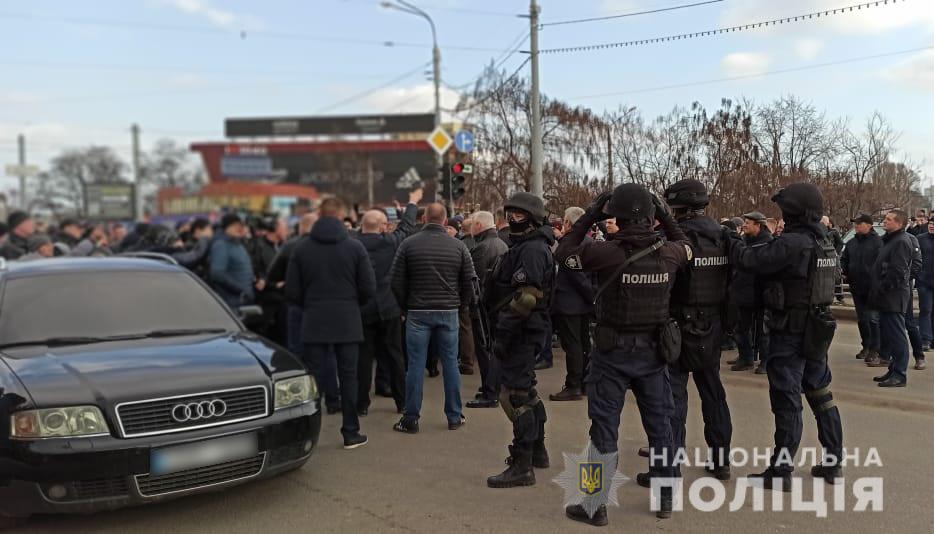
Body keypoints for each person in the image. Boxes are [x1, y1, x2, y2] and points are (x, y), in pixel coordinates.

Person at [555, 184, 686, 524]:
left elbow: (564, 250)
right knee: (661, 428)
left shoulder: (606, 253)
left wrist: (591, 214)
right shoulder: (669, 253)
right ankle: (665, 498)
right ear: (650, 216)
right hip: (653, 353)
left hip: (612, 352)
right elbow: (688, 245)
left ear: (618, 216)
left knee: (603, 427)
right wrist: (665, 215)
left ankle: (593, 504)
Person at [731, 183, 843, 489]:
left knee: (786, 399)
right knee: (821, 394)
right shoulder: (825, 242)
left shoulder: (795, 242)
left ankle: (780, 473)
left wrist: (734, 241)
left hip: (791, 330)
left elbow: (751, 261)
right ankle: (834, 463)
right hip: (817, 328)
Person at [643, 178, 733, 484]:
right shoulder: (723, 235)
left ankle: (671, 467)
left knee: (673, 398)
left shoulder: (674, 240)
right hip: (713, 324)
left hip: (679, 325)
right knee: (714, 393)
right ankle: (721, 461)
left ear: (676, 206)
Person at [286, 197, 375, 450]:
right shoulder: (355, 247)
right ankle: (350, 431)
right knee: (349, 377)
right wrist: (351, 304)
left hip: (314, 320)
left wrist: (311, 304)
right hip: (347, 320)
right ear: (341, 217)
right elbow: (368, 287)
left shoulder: (302, 249)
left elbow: (292, 292)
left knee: (313, 378)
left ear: (319, 215)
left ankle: (307, 433)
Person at [484, 192, 555, 489]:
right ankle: (538, 450)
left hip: (521, 331)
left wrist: (503, 333)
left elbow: (526, 297)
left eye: (519, 215)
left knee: (515, 396)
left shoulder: (533, 250)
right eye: (510, 213)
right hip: (524, 329)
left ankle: (523, 464)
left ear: (533, 218)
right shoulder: (526, 246)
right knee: (526, 390)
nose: (512, 219)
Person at [390, 203, 475, 434]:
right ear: (445, 220)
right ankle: (455, 416)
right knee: (450, 364)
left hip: (417, 311)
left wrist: (405, 305)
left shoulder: (408, 244)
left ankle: (410, 418)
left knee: (415, 365)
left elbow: (395, 280)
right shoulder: (458, 246)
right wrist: (461, 304)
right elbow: (470, 280)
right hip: (448, 310)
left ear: (425, 217)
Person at [355, 188, 421, 417]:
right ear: (383, 226)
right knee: (395, 355)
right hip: (389, 307)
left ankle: (361, 403)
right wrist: (412, 203)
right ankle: (401, 402)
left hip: (362, 309)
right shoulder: (390, 243)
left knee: (363, 358)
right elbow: (406, 227)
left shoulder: (352, 244)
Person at [549, 207, 595, 402]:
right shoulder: (589, 242)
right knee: (583, 343)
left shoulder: (572, 244)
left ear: (569, 223)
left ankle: (574, 384)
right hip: (582, 302)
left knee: (574, 345)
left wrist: (590, 294)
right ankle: (584, 382)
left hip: (571, 302)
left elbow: (577, 276)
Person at [465, 210, 509, 409]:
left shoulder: (482, 248)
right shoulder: (500, 243)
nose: (471, 227)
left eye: (473, 224)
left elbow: (476, 281)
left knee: (485, 349)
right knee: (492, 348)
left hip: (484, 307)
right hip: (497, 306)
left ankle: (490, 391)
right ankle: (491, 386)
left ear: (479, 226)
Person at [867, 210, 916, 386]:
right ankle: (893, 370)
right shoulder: (891, 240)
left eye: (888, 219)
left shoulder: (902, 241)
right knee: (890, 334)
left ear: (899, 223)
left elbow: (898, 271)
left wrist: (883, 287)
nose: (884, 221)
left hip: (893, 296)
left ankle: (900, 374)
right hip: (887, 296)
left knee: (897, 336)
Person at [268, 213, 318, 355]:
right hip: (322, 305)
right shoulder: (329, 246)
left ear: (301, 227)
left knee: (296, 349)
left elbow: (272, 273)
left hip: (294, 303)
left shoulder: (290, 246)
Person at [731, 211, 773, 374]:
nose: (744, 224)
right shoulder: (743, 241)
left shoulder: (768, 243)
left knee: (764, 331)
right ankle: (746, 358)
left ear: (758, 225)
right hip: (743, 292)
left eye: (748, 222)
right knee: (742, 328)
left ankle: (765, 361)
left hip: (762, 293)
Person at [841, 214, 882, 362]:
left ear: (869, 225)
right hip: (856, 286)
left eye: (860, 223)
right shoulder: (852, 242)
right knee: (862, 319)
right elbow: (844, 259)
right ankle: (866, 345)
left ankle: (875, 349)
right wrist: (845, 272)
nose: (856, 226)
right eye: (855, 223)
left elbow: (882, 263)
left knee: (873, 319)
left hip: (872, 288)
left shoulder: (878, 242)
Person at [209, 214, 256, 309]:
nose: (239, 228)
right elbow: (217, 274)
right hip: (231, 303)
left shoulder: (237, 243)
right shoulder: (221, 245)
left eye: (240, 225)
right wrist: (241, 290)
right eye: (235, 225)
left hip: (241, 300)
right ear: (226, 227)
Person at [916, 219, 934, 353]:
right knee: (926, 309)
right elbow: (914, 258)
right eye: (931, 224)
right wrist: (918, 275)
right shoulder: (920, 239)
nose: (932, 226)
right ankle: (925, 339)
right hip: (924, 282)